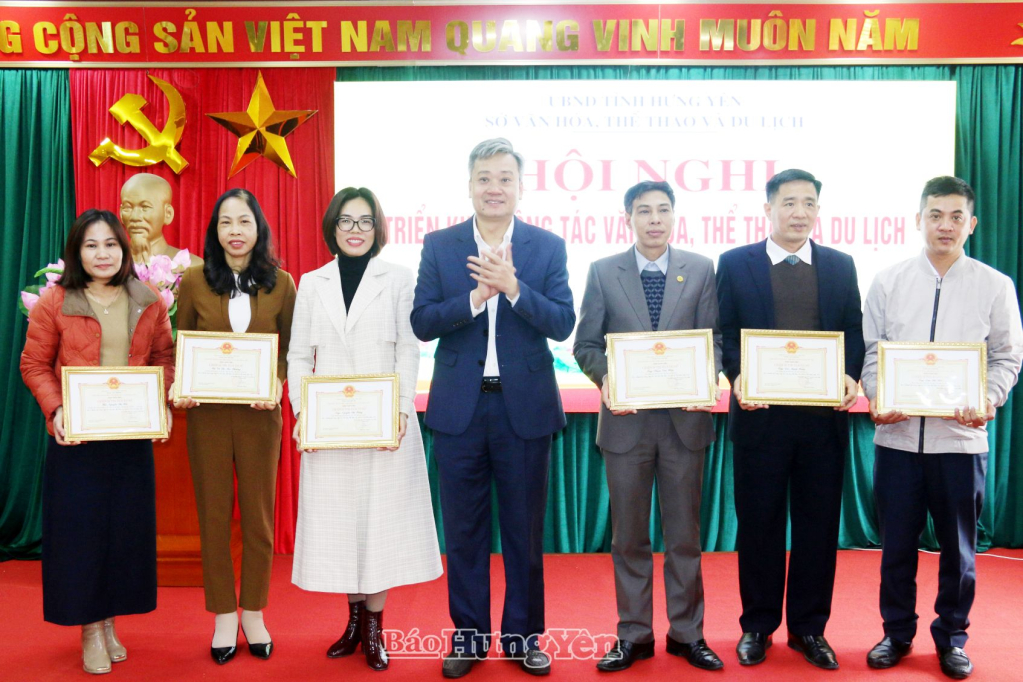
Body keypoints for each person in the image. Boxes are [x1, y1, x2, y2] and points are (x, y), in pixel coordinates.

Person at [411, 138, 575, 678]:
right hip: (460, 409)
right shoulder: (440, 245)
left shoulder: (546, 247)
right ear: (470, 185)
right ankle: (469, 637)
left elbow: (562, 323)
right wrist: (474, 300)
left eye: (505, 178)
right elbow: (422, 322)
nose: (494, 188)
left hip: (522, 410)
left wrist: (514, 288)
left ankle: (524, 638)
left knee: (525, 534)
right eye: (485, 178)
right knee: (464, 533)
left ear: (521, 187)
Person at [861, 176, 1023, 680]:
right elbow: (872, 354)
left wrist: (988, 399)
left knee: (959, 551)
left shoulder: (995, 285)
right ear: (918, 220)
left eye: (956, 216)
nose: (945, 225)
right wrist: (878, 396)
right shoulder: (888, 281)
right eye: (935, 215)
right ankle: (896, 633)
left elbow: (1007, 357)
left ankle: (952, 637)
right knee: (896, 548)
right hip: (897, 440)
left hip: (961, 441)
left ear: (971, 224)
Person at [287, 187, 442, 672]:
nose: (355, 230)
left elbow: (408, 348)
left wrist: (401, 408)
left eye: (365, 221)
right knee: (342, 523)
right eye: (346, 221)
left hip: (383, 425)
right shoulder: (311, 283)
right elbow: (297, 355)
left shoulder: (397, 278)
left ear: (378, 229)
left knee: (380, 524)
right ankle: (353, 621)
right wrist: (303, 412)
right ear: (332, 227)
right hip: (330, 426)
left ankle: (374, 626)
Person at [715, 169, 864, 670]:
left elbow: (853, 331)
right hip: (760, 419)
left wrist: (850, 376)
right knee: (759, 526)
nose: (800, 213)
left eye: (809, 203)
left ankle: (809, 628)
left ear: (818, 209)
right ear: (768, 209)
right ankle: (757, 626)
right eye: (789, 203)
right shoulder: (735, 263)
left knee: (818, 528)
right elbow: (724, 331)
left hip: (822, 422)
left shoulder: (841, 265)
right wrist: (737, 375)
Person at [574, 181, 724, 673]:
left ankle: (687, 634)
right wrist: (608, 379)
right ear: (628, 218)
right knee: (629, 539)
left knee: (684, 538)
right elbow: (586, 345)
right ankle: (634, 635)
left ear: (674, 216)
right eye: (644, 211)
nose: (654, 219)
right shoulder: (603, 271)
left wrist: (706, 374)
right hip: (626, 426)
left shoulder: (700, 269)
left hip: (684, 424)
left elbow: (715, 340)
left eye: (663, 210)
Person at [20, 209, 174, 675]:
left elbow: (165, 358)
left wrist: (160, 400)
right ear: (77, 252)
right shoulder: (55, 301)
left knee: (123, 536)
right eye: (91, 245)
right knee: (81, 538)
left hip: (129, 439)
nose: (102, 254)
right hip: (77, 442)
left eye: (110, 244)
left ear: (123, 249)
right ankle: (89, 629)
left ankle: (108, 622)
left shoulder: (148, 300)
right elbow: (34, 364)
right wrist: (57, 409)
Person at [172, 189, 296, 664]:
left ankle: (254, 612)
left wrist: (277, 383)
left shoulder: (282, 283)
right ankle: (224, 614)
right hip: (207, 415)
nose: (235, 231)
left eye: (244, 221)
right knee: (214, 515)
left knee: (259, 518)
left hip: (260, 416)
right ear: (215, 231)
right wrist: (183, 382)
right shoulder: (194, 280)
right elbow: (183, 342)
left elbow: (290, 348)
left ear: (258, 228)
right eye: (225, 222)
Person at [119, 172, 202, 267]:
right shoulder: (110, 264)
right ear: (121, 213)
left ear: (168, 214)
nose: (135, 217)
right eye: (128, 207)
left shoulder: (191, 267)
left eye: (145, 207)